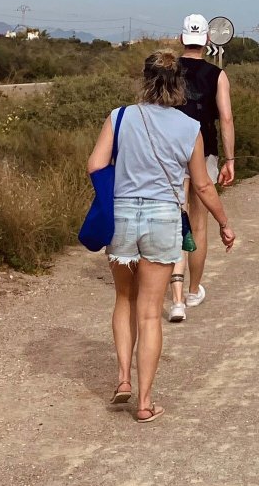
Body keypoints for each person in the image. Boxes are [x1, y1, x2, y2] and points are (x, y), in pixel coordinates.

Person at [87, 49, 235, 422]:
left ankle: (122, 379)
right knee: (150, 314)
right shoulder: (190, 128)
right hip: (162, 218)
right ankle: (145, 401)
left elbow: (95, 164)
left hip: (122, 216)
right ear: (177, 84)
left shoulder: (120, 117)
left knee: (124, 298)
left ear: (145, 80)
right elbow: (201, 185)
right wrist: (223, 222)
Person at [166, 13, 236, 321]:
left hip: (168, 150)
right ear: (207, 41)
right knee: (198, 222)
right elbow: (227, 118)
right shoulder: (216, 75)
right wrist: (230, 159)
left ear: (181, 38)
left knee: (173, 221)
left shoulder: (166, 72)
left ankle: (175, 296)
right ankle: (194, 290)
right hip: (204, 148)